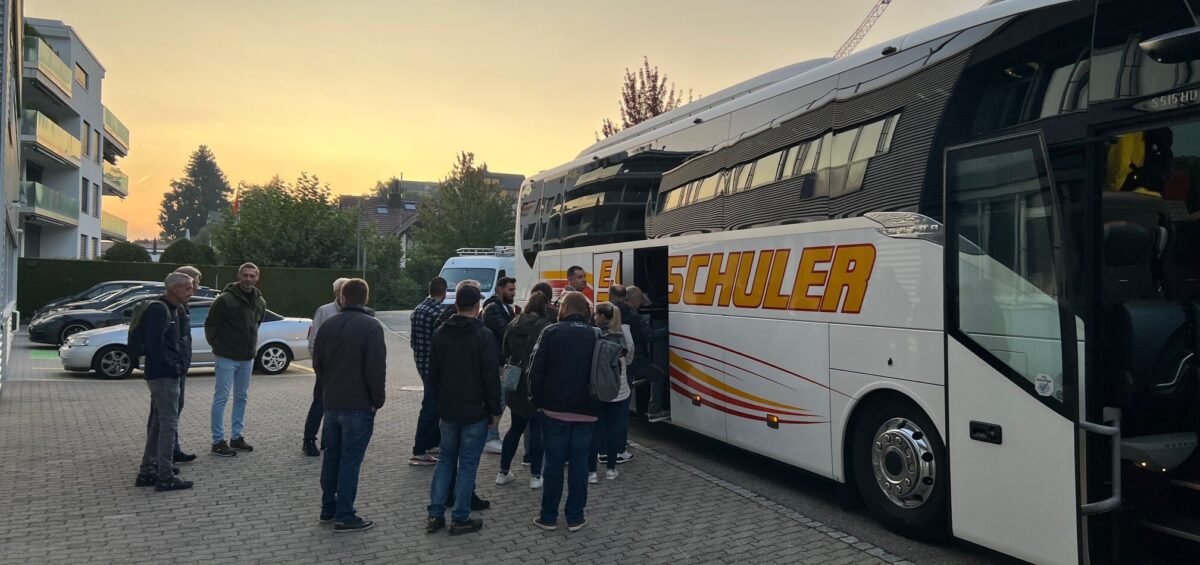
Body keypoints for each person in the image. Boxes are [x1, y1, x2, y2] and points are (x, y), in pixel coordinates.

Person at [425, 285, 501, 536]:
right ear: (478, 306)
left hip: (448, 409)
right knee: (468, 464)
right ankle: (460, 517)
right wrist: (495, 410)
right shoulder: (484, 335)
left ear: (456, 305)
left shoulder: (440, 334)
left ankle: (435, 514)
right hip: (475, 409)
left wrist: (437, 403)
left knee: (446, 459)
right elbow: (490, 377)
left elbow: (432, 375)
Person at [314, 278, 386, 533]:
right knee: (350, 461)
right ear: (365, 298)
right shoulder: (371, 327)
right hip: (359, 404)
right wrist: (377, 400)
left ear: (342, 297)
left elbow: (318, 363)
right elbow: (375, 369)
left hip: (332, 402)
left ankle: (328, 507)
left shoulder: (328, 325)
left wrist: (328, 387)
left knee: (331, 456)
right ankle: (345, 514)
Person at [528, 292, 598, 532]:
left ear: (566, 308)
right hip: (587, 410)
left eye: (560, 305)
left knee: (554, 463)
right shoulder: (595, 334)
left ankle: (548, 517)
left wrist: (537, 401)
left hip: (554, 409)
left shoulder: (551, 332)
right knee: (580, 464)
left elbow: (534, 370)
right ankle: (575, 517)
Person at [135, 272, 194, 492]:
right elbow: (155, 347)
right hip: (163, 376)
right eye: (187, 288)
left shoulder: (173, 309)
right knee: (168, 425)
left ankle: (148, 471)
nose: (192, 291)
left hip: (165, 374)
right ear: (174, 289)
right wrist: (175, 367)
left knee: (159, 424)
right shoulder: (159, 311)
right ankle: (165, 476)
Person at [206, 262, 266, 457]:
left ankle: (237, 437)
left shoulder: (260, 301)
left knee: (241, 397)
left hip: (247, 358)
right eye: (245, 275)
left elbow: (256, 324)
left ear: (257, 278)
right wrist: (219, 347)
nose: (248, 279)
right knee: (221, 397)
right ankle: (217, 441)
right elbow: (211, 326)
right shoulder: (224, 300)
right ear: (238, 275)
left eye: (252, 275)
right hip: (226, 357)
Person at [495, 291, 551, 489]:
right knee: (537, 431)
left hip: (515, 383)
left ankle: (503, 471)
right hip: (535, 383)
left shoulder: (514, 323)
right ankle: (536, 475)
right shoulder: (545, 327)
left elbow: (505, 352)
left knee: (515, 428)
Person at [586, 302, 634, 483]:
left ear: (602, 316)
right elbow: (627, 360)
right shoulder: (621, 338)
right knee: (613, 430)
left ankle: (591, 472)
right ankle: (611, 469)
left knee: (595, 431)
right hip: (618, 391)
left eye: (596, 314)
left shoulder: (592, 336)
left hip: (597, 390)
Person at [303, 278, 349, 457]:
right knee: (319, 404)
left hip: (346, 370)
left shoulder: (354, 312)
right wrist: (319, 366)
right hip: (327, 369)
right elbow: (313, 341)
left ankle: (328, 440)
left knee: (340, 407)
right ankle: (309, 440)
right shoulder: (324, 311)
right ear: (336, 293)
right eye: (342, 291)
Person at [409, 277, 447, 466]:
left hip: (421, 362)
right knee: (431, 407)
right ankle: (420, 449)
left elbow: (413, 340)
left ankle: (431, 443)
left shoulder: (418, 309)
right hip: (434, 365)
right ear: (444, 292)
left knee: (432, 405)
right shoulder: (438, 311)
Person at [168, 265, 201, 464]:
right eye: (194, 284)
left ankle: (173, 448)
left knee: (174, 411)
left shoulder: (182, 307)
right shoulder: (173, 308)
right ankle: (163, 456)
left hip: (179, 367)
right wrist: (177, 365)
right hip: (172, 370)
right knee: (167, 415)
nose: (196, 288)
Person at [481, 276, 518, 454]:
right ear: (500, 289)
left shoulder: (504, 307)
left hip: (503, 361)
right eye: (510, 290)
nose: (513, 293)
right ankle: (490, 437)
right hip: (497, 362)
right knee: (499, 400)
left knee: (503, 399)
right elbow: (506, 331)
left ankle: (492, 435)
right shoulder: (493, 308)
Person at [627, 285, 670, 422]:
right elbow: (650, 335)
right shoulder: (634, 316)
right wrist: (670, 328)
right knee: (658, 374)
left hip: (627, 359)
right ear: (634, 300)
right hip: (636, 359)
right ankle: (654, 409)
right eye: (640, 300)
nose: (642, 304)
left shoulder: (617, 311)